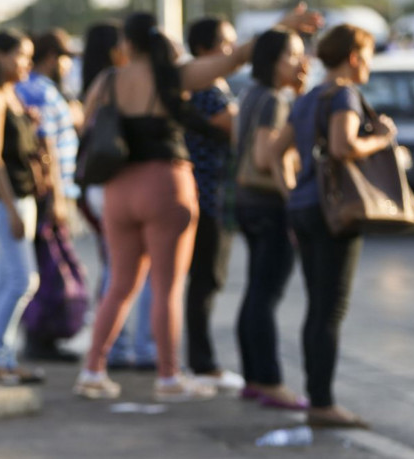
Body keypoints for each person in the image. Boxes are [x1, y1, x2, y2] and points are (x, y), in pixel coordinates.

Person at [74, 7, 321, 401]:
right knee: (167, 286)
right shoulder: (174, 77)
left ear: (126, 45)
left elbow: (84, 124)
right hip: (165, 185)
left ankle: (93, 370)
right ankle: (169, 377)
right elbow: (235, 58)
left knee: (119, 285)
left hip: (118, 188)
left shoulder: (108, 80)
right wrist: (282, 27)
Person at [270, 24, 395, 428]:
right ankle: (322, 403)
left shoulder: (307, 98)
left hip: (306, 207)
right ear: (355, 57)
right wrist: (384, 139)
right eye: (369, 56)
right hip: (334, 212)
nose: (370, 66)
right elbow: (343, 147)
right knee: (329, 309)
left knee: (317, 306)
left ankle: (317, 397)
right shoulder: (343, 94)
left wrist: (291, 193)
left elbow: (272, 152)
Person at [234, 28, 308, 409]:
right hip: (269, 204)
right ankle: (269, 380)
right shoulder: (273, 100)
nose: (299, 62)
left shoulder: (252, 94)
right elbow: (266, 158)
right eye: (292, 55)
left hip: (247, 203)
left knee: (256, 292)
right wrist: (292, 201)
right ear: (271, 60)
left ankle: (253, 378)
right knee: (266, 294)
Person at [78, 21, 156, 371]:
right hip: (130, 181)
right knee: (139, 268)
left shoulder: (99, 80)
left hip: (98, 182)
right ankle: (142, 346)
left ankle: (116, 345)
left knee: (114, 265)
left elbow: (83, 124)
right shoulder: (128, 77)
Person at [0, 29, 44, 384]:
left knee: (8, 280)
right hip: (4, 199)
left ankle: (2, 358)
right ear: (0, 55)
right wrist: (12, 209)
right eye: (21, 55)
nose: (27, 64)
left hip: (22, 196)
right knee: (22, 280)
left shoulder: (11, 94)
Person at [182, 16, 243, 392]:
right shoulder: (206, 90)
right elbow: (238, 131)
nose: (233, 52)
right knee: (206, 281)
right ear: (205, 49)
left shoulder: (205, 87)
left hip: (208, 196)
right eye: (227, 44)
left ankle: (198, 361)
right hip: (208, 198)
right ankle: (201, 364)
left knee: (205, 281)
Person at [16, 29, 85, 362]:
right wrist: (57, 197)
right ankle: (38, 338)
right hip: (49, 192)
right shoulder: (39, 90)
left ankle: (43, 337)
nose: (69, 65)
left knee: (50, 267)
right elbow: (46, 149)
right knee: (51, 269)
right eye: (66, 58)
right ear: (52, 57)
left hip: (50, 191)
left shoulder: (42, 89)